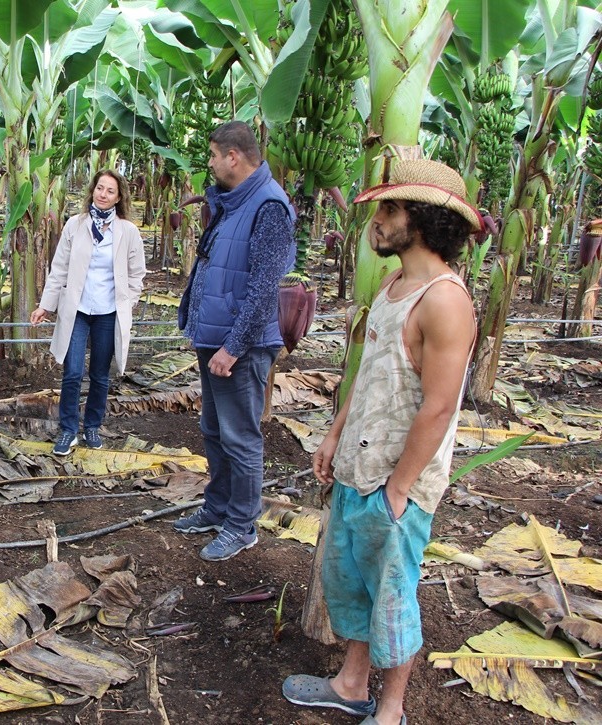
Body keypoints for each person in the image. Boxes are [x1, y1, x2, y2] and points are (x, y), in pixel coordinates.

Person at [282, 159, 480, 725]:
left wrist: (400, 488)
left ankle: (390, 709)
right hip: (359, 462)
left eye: (390, 209)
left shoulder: (445, 301)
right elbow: (370, 373)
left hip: (399, 478)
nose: (378, 219)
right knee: (354, 584)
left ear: (421, 220)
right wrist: (334, 435)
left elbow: (438, 407)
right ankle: (350, 683)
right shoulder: (395, 284)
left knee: (392, 597)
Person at [172, 121, 297, 561]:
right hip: (216, 338)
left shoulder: (269, 207)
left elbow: (264, 288)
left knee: (241, 437)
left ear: (233, 156)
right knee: (213, 429)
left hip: (239, 346)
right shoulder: (235, 201)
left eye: (211, 154)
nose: (208, 163)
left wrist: (234, 347)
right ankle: (217, 507)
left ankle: (242, 526)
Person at [30, 169, 146, 455]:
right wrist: (46, 305)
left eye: (110, 191)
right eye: (99, 188)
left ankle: (92, 426)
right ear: (92, 190)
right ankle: (68, 430)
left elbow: (136, 274)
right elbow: (59, 268)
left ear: (119, 198)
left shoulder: (128, 232)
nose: (103, 194)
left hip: (108, 312)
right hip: (78, 310)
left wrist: (127, 302)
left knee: (99, 375)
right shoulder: (75, 225)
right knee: (71, 372)